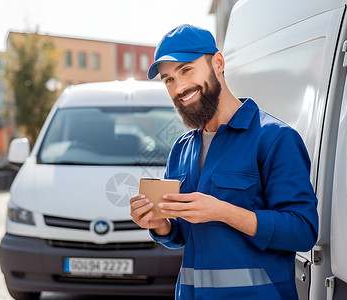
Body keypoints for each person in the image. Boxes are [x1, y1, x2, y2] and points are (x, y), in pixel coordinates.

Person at [129, 24, 318, 300]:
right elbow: (180, 234)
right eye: (168, 79)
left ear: (218, 63)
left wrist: (223, 212)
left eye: (186, 69)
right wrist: (159, 224)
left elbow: (303, 231)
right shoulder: (181, 149)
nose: (179, 87)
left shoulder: (275, 139)